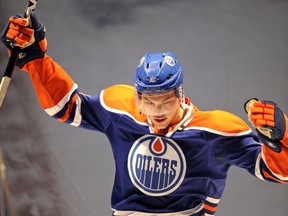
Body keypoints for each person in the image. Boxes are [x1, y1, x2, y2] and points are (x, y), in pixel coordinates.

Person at [1, 10, 288, 216]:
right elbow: (66, 106)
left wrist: (280, 137)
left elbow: (277, 172)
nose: (157, 111)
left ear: (181, 95)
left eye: (165, 101)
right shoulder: (119, 107)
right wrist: (36, 60)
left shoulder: (217, 130)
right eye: (149, 101)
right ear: (138, 96)